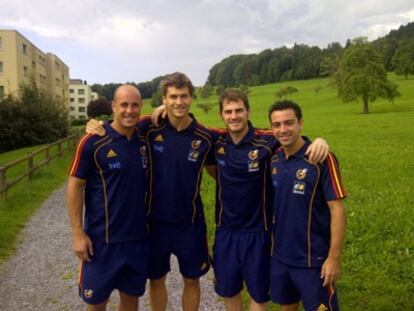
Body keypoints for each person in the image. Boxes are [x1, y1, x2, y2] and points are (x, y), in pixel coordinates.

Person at [86, 72, 217, 311]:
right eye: (173, 97)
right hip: (154, 224)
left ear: (191, 98)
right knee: (156, 280)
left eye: (184, 96)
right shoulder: (149, 127)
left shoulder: (205, 137)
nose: (179, 102)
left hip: (191, 223)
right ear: (164, 99)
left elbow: (218, 168)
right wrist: (97, 125)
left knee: (192, 280)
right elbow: (121, 123)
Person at [212, 89, 329, 311]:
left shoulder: (266, 140)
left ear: (248, 112)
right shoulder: (216, 140)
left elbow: (293, 139)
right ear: (221, 115)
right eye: (228, 111)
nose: (234, 116)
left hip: (259, 231)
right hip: (225, 230)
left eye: (239, 110)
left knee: (258, 293)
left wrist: (319, 140)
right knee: (229, 291)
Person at [67, 85, 149, 311]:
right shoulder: (93, 141)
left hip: (137, 240)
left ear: (141, 107)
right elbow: (75, 186)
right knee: (96, 303)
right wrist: (77, 233)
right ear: (113, 106)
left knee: (131, 301)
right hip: (101, 242)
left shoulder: (145, 138)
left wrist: (164, 105)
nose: (129, 110)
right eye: (124, 105)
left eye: (135, 105)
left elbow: (169, 113)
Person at [268, 100, 347, 311]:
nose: (283, 129)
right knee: (287, 306)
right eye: (277, 124)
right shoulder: (273, 159)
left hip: (314, 261)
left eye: (289, 123)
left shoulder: (321, 158)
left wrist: (333, 258)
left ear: (300, 123)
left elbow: (337, 210)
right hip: (280, 256)